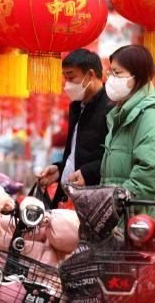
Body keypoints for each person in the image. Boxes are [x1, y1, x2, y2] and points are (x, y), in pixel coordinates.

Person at [100, 45, 155, 206]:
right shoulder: (122, 113)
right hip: (125, 216)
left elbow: (154, 169)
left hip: (143, 219)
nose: (111, 79)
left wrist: (120, 198)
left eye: (117, 73)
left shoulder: (151, 117)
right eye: (111, 73)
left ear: (137, 75)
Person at [37, 49, 111, 205]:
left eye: (71, 77)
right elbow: (74, 152)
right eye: (65, 78)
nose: (67, 84)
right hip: (67, 196)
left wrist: (88, 173)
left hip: (93, 199)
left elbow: (117, 158)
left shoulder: (111, 107)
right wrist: (59, 169)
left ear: (90, 75)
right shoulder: (76, 107)